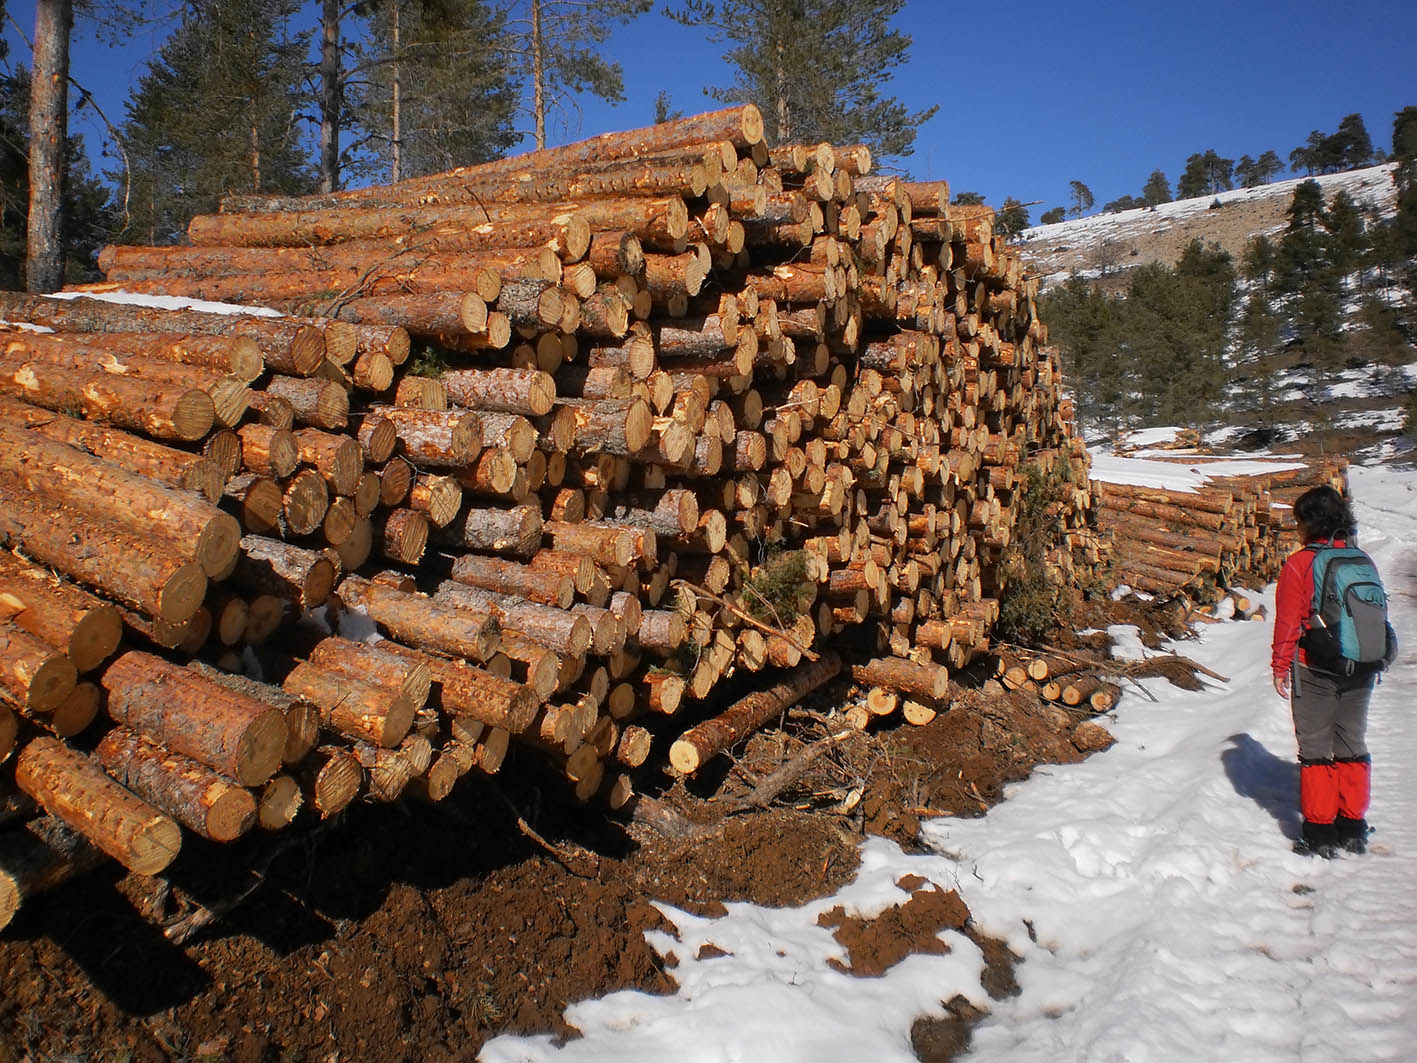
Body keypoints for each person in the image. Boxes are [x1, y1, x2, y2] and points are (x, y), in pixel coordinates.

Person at [1271, 485, 1375, 858]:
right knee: (1352, 743)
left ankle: (1319, 832)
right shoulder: (1360, 558)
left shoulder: (1300, 563)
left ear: (1308, 522)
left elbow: (1287, 622)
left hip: (1314, 666)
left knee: (1316, 747)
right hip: (1361, 665)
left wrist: (1280, 666)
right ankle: (1353, 826)